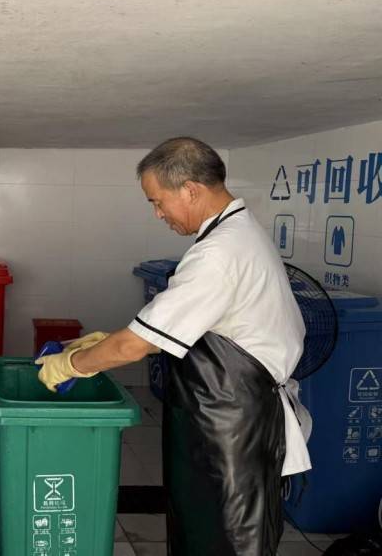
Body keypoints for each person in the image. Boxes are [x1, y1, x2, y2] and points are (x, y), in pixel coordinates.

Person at [36, 137, 311, 556]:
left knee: (225, 541)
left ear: (190, 190)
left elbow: (134, 346)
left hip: (232, 430)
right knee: (204, 533)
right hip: (225, 418)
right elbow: (187, 329)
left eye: (157, 201)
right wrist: (108, 340)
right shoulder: (238, 233)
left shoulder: (219, 253)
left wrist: (71, 364)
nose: (158, 213)